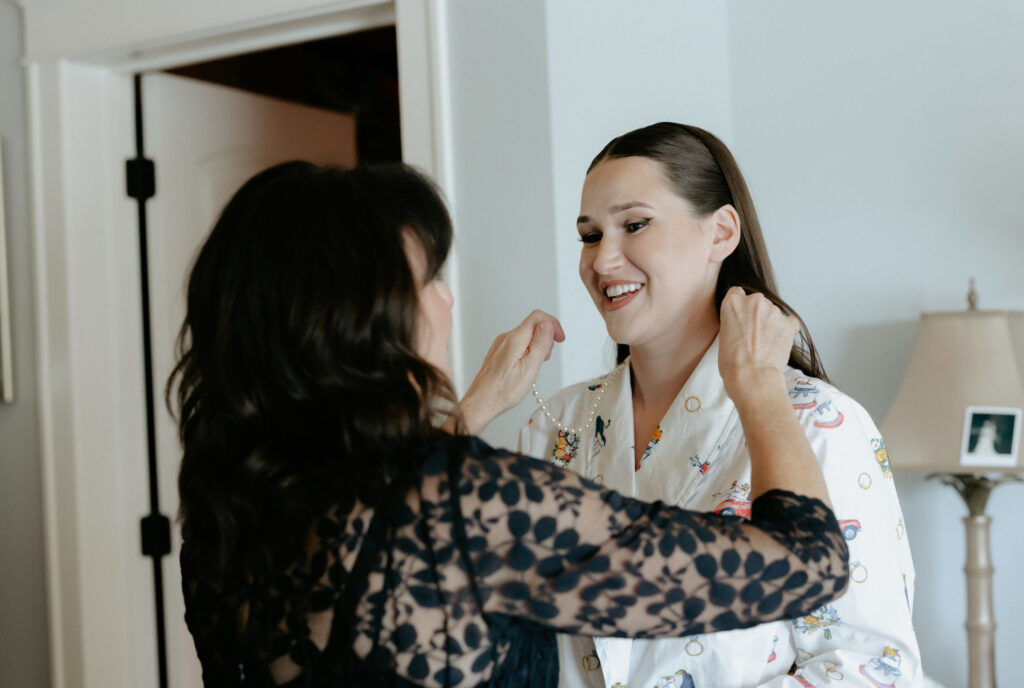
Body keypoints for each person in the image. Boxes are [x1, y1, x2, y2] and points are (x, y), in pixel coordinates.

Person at [170, 160, 850, 688]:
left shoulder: (228, 510)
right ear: (358, 317)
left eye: (634, 224)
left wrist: (465, 415)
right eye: (427, 278)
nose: (446, 300)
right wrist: (759, 386)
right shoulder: (465, 499)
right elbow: (810, 563)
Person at [517, 123, 921, 687]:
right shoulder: (551, 429)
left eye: (635, 225)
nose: (603, 260)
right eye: (589, 235)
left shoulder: (818, 424)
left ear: (721, 232)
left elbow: (871, 672)